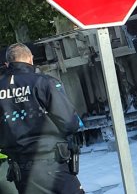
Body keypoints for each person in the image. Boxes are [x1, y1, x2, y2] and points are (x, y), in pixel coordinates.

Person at [0, 43, 84, 194]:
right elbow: (70, 123)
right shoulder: (44, 82)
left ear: (7, 63)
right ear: (30, 58)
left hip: (21, 169)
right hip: (51, 162)